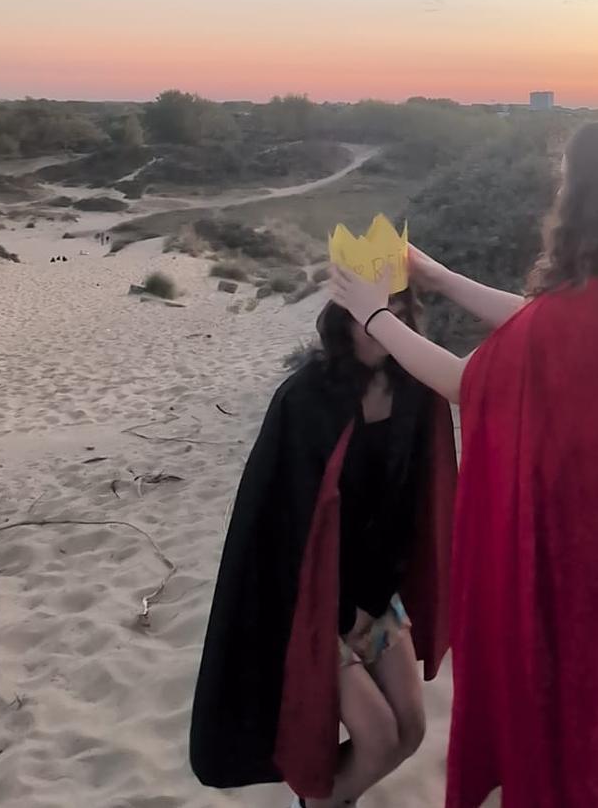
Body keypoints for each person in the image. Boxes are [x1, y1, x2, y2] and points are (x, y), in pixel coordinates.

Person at [327, 116, 598, 808]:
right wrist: (439, 277)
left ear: (585, 197)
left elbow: (467, 382)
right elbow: (540, 325)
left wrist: (372, 316)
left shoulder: (583, 312)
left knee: (586, 716)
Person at [189, 291, 457, 807]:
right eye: (370, 314)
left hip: (375, 592)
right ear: (343, 319)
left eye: (398, 313)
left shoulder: (415, 393)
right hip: (308, 606)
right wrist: (341, 616)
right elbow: (284, 527)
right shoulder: (306, 399)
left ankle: (326, 801)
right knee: (378, 737)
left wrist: (373, 601)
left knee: (410, 731)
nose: (384, 325)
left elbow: (412, 509)